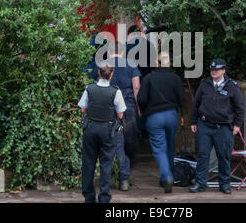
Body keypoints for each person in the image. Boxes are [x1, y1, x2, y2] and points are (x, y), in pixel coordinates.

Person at [189, 58, 245, 194]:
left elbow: (240, 108)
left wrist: (237, 125)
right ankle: (200, 184)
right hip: (204, 125)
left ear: (223, 71)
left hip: (224, 127)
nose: (214, 72)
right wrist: (193, 121)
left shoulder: (232, 86)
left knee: (224, 156)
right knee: (202, 155)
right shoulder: (204, 84)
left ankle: (224, 184)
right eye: (212, 70)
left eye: (217, 69)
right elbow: (196, 104)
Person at [93, 41, 141, 191]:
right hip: (128, 107)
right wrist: (139, 108)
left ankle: (123, 176)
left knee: (117, 143)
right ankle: (125, 174)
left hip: (110, 108)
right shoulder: (131, 63)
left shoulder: (103, 65)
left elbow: (99, 86)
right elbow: (136, 87)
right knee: (130, 141)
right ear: (122, 52)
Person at [78, 63, 127, 203]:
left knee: (88, 163)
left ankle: (88, 197)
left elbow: (83, 109)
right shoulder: (115, 91)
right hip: (108, 130)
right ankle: (104, 197)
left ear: (98, 73)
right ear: (111, 74)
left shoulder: (89, 88)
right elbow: (121, 114)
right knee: (106, 164)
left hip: (91, 128)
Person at [137, 52, 184, 193]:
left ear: (156, 63)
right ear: (168, 63)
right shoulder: (175, 78)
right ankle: (165, 179)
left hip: (154, 117)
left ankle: (167, 176)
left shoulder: (149, 78)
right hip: (171, 115)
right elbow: (181, 99)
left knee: (159, 149)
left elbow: (141, 99)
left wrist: (145, 111)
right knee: (170, 147)